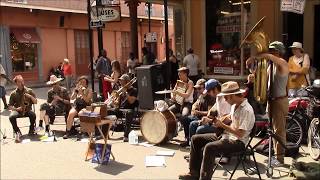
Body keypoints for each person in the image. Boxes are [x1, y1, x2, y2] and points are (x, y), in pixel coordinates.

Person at [179, 81, 255, 180]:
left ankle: (204, 178)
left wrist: (222, 125)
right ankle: (193, 173)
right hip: (226, 136)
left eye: (226, 97)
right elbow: (228, 118)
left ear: (232, 96)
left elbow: (240, 134)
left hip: (238, 142)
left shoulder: (246, 110)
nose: (225, 100)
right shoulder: (234, 105)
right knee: (195, 139)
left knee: (210, 148)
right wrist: (212, 121)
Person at [247, 41, 289, 167]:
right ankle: (274, 155)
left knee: (279, 131)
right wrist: (251, 70)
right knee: (272, 130)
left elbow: (270, 57)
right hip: (272, 101)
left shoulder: (283, 63)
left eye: (272, 51)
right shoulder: (271, 66)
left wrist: (259, 55)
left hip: (279, 101)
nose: (270, 53)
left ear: (279, 52)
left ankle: (280, 159)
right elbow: (262, 79)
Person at [179, 79, 216, 147]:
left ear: (205, 88)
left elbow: (209, 113)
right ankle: (187, 139)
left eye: (199, 88)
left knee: (192, 124)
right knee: (184, 118)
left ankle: (192, 144)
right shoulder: (200, 96)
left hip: (205, 118)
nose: (197, 90)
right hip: (198, 116)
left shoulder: (210, 97)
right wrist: (194, 109)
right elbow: (194, 105)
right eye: (196, 89)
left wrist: (198, 112)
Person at [107, 74, 138, 142]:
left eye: (122, 81)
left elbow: (131, 101)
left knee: (128, 113)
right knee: (106, 111)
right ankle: (105, 134)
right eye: (120, 81)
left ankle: (126, 136)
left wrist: (126, 93)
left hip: (129, 109)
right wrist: (112, 102)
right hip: (120, 109)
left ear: (127, 82)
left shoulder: (134, 90)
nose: (120, 83)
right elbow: (117, 104)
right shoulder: (121, 90)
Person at [8, 75, 37, 142]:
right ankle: (17, 131)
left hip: (27, 110)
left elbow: (35, 102)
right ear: (16, 83)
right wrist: (16, 109)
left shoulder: (29, 90)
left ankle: (31, 129)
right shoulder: (13, 93)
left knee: (33, 115)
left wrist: (30, 96)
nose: (22, 82)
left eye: (22, 81)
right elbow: (10, 106)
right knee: (11, 117)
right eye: (20, 81)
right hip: (18, 110)